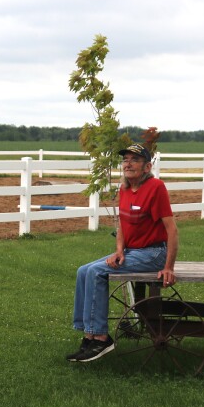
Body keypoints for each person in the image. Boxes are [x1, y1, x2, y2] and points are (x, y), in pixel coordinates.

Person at [66, 143, 178, 363]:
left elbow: (171, 229)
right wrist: (119, 251)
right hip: (131, 251)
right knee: (83, 271)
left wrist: (168, 267)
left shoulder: (156, 188)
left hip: (153, 253)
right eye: (125, 159)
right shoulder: (124, 189)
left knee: (98, 271)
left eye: (134, 160)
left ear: (147, 167)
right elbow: (122, 226)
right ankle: (88, 335)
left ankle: (101, 338)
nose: (128, 163)